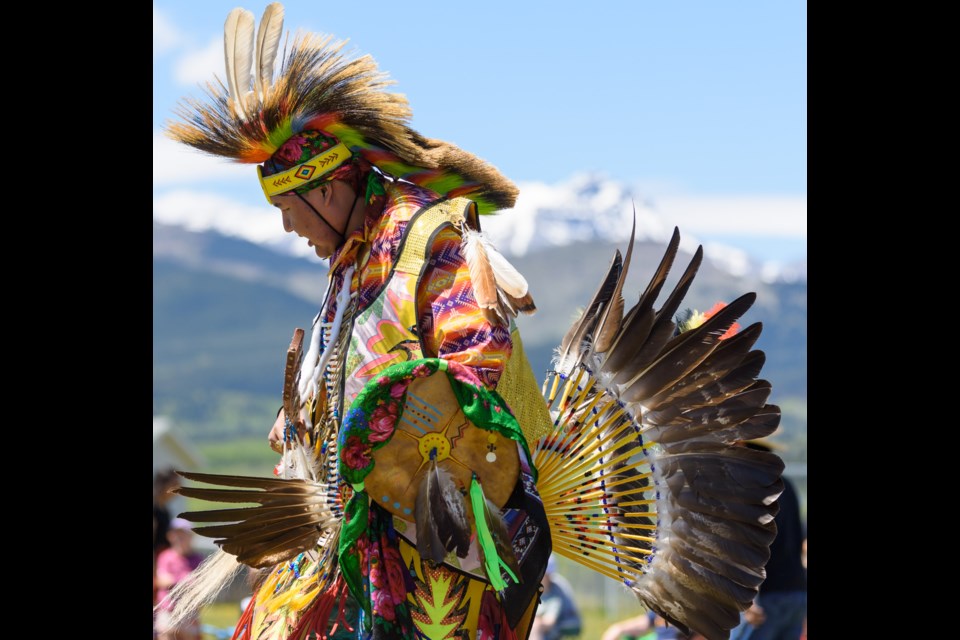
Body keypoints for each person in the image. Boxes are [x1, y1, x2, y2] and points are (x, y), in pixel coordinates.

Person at [163, 4, 785, 640]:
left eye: (289, 207)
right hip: (344, 545)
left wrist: (384, 426)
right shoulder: (349, 270)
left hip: (436, 548)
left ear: (325, 188)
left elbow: (475, 371)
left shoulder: (431, 238)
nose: (289, 228)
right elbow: (338, 384)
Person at [729, 440, 807, 640]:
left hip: (765, 596)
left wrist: (748, 598)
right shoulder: (786, 484)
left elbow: (749, 544)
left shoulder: (750, 489)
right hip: (795, 592)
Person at [155, 518, 205, 640]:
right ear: (170, 536)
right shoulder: (165, 556)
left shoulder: (198, 559)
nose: (179, 538)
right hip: (168, 613)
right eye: (176, 534)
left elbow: (201, 586)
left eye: (183, 534)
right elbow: (162, 580)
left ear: (191, 536)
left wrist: (175, 581)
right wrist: (186, 581)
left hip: (189, 614)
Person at [530, 556, 582, 640]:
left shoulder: (557, 591)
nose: (543, 578)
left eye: (546, 575)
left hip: (561, 623)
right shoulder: (532, 588)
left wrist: (538, 623)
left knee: (536, 626)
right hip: (541, 627)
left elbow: (550, 620)